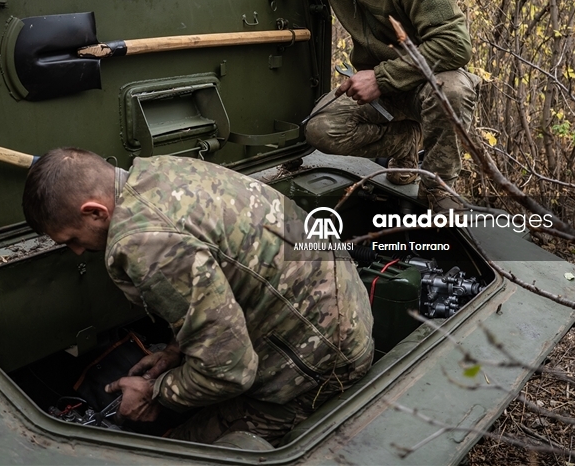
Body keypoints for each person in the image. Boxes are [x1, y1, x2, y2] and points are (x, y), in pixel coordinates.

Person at [22, 147, 374, 445]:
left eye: (72, 239)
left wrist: (155, 393)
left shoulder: (145, 245)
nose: (78, 252)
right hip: (340, 307)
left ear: (95, 212)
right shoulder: (158, 171)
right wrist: (176, 351)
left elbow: (230, 372)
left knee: (170, 449)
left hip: (325, 366)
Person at [272, 0, 479, 212]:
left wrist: (381, 79)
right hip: (381, 89)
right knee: (319, 130)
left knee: (454, 87)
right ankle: (406, 142)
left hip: (422, 86)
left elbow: (454, 45)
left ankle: (437, 189)